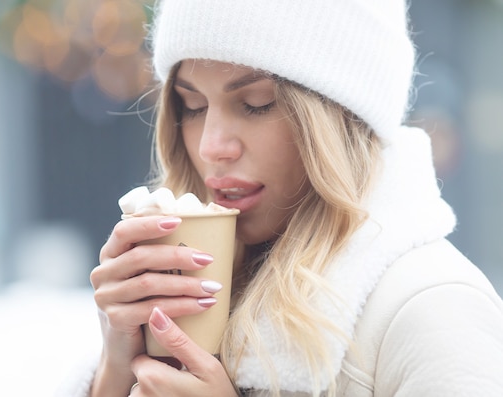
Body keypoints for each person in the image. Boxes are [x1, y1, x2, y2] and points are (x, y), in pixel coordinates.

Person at [58, 0, 503, 396]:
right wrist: (115, 372)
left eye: (255, 103)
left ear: (340, 118)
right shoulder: (197, 289)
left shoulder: (432, 308)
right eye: (192, 106)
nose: (212, 146)